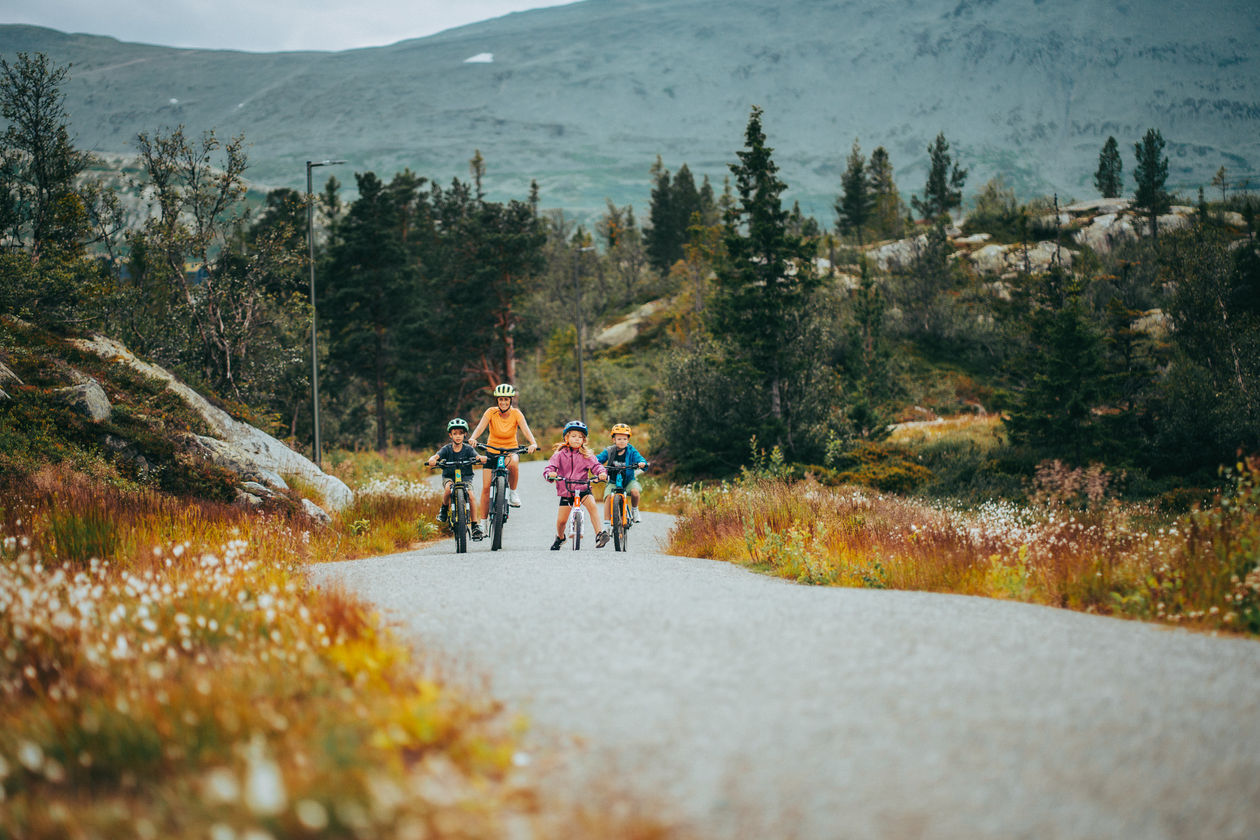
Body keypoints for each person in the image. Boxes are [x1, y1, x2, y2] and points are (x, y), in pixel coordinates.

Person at [469, 383, 539, 533]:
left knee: (514, 462)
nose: (503, 403)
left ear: (511, 400)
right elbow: (480, 427)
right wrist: (473, 438)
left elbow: (525, 429)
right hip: (491, 450)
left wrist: (533, 443)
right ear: (497, 400)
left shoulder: (516, 414)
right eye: (501, 400)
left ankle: (513, 492)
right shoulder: (491, 412)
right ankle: (483, 523)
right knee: (486, 487)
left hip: (510, 450)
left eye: (506, 400)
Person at [542, 419, 610, 550]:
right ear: (566, 438)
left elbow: (596, 466)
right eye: (573, 436)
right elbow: (550, 467)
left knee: (593, 507)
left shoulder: (587, 455)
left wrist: (601, 473)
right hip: (566, 490)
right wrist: (550, 474)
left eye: (580, 437)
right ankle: (560, 537)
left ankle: (599, 535)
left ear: (584, 440)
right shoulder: (560, 454)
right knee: (561, 521)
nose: (577, 439)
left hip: (583, 488)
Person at [426, 418, 488, 540]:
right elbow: (436, 456)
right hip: (449, 476)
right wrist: (433, 459)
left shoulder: (468, 449)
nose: (458, 436)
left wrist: (481, 458)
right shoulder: (447, 449)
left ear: (465, 434)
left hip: (465, 477)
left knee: (471, 495)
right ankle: (443, 510)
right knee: (448, 490)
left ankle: (475, 524)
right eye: (455, 434)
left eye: (460, 433)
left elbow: (476, 456)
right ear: (450, 435)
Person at [597, 423, 649, 524]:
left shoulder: (631, 451)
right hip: (612, 481)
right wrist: (592, 463)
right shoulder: (609, 451)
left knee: (635, 492)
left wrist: (642, 463)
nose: (622, 441)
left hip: (628, 481)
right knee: (608, 497)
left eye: (625, 439)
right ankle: (607, 524)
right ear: (614, 440)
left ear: (628, 440)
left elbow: (639, 458)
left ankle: (634, 510)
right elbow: (598, 459)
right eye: (619, 439)